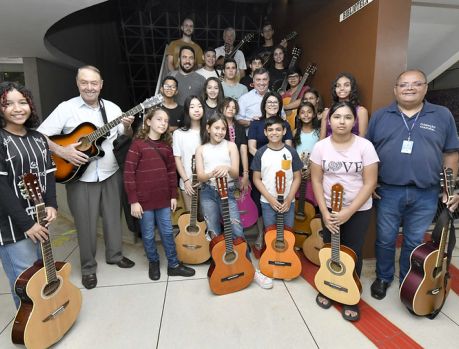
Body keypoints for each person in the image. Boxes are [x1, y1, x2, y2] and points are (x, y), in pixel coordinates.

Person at [37, 65, 135, 290]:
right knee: (86, 224)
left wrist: (128, 128)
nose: (89, 87)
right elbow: (39, 136)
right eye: (85, 82)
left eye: (94, 83)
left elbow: (124, 137)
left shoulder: (112, 109)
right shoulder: (66, 108)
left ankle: (115, 255)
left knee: (113, 218)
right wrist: (63, 151)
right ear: (78, 83)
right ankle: (89, 267)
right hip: (79, 177)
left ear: (101, 85)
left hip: (110, 172)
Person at [367, 69, 459, 300]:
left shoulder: (442, 115)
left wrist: (450, 190)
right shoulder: (380, 116)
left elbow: (450, 154)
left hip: (426, 193)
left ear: (425, 88)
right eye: (404, 84)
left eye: (416, 83)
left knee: (414, 240)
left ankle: (409, 278)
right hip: (387, 190)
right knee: (386, 238)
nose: (409, 88)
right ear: (395, 90)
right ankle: (384, 277)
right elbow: (367, 153)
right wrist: (371, 183)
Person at [310, 101, 379, 321]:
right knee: (330, 249)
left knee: (353, 252)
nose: (342, 121)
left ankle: (351, 294)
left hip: (358, 209)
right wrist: (323, 210)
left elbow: (370, 183)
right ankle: (330, 286)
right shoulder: (321, 146)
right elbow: (316, 179)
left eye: (347, 117)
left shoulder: (365, 146)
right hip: (329, 208)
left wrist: (348, 211)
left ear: (354, 121)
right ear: (329, 120)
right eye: (337, 116)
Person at [0, 82, 58, 308]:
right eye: (8, 103)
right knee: (26, 282)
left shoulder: (39, 138)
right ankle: (31, 330)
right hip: (14, 229)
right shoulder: (1, 140)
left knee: (41, 274)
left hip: (40, 221)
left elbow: (50, 173)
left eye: (22, 102)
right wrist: (27, 224)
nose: (17, 108)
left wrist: (52, 205)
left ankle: (49, 317)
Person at [124, 107, 195, 280]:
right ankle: (153, 262)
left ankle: (173, 264)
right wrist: (134, 200)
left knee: (168, 232)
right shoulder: (137, 145)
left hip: (163, 199)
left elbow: (172, 173)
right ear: (148, 122)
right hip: (144, 201)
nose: (163, 123)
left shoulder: (166, 147)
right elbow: (128, 174)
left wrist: (173, 196)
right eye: (159, 119)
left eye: (166, 120)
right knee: (148, 234)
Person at [251, 116, 302, 287]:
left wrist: (288, 199)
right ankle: (271, 260)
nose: (274, 133)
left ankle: (286, 260)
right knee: (270, 233)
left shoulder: (291, 152)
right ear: (265, 132)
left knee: (287, 234)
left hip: (289, 202)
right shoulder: (261, 153)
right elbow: (256, 178)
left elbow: (297, 177)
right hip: (267, 202)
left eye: (278, 129)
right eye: (270, 130)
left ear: (284, 131)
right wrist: (271, 199)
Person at [248, 92, 293, 255]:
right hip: (261, 168)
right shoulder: (255, 124)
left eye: (276, 102)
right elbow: (251, 147)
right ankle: (262, 234)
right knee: (262, 203)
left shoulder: (285, 124)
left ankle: (283, 241)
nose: (272, 104)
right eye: (269, 102)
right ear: (264, 104)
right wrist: (265, 159)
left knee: (280, 204)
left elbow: (289, 147)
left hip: (281, 168)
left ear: (280, 105)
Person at [195, 113, 243, 240]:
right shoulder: (201, 149)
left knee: (236, 229)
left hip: (228, 190)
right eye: (217, 128)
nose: (220, 132)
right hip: (207, 192)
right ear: (208, 128)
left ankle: (243, 259)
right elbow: (200, 176)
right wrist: (212, 174)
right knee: (213, 231)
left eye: (223, 129)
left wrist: (227, 168)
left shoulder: (231, 146)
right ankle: (218, 259)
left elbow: (235, 174)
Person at [173, 95, 206, 212]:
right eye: (192, 107)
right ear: (187, 110)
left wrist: (204, 179)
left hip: (207, 183)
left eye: (200, 106)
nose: (196, 110)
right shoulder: (178, 133)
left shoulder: (208, 131)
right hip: (187, 183)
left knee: (208, 220)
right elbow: (177, 159)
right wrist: (186, 180)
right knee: (191, 221)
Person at [320, 72, 369, 139]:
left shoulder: (361, 111)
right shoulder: (326, 112)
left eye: (346, 85)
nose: (342, 88)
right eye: (338, 85)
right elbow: (321, 139)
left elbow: (362, 140)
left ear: (352, 88)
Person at [293, 102, 320, 206]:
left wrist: (312, 169)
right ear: (299, 116)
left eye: (309, 112)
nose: (306, 115)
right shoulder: (296, 132)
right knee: (298, 197)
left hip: (314, 169)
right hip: (298, 169)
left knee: (311, 197)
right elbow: (293, 152)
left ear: (314, 114)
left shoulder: (318, 132)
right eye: (302, 112)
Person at [221, 97, 249, 192]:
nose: (231, 109)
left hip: (239, 169)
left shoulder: (240, 128)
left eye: (233, 107)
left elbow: (243, 151)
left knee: (241, 199)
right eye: (228, 106)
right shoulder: (217, 127)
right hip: (222, 170)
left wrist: (245, 173)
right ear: (222, 108)